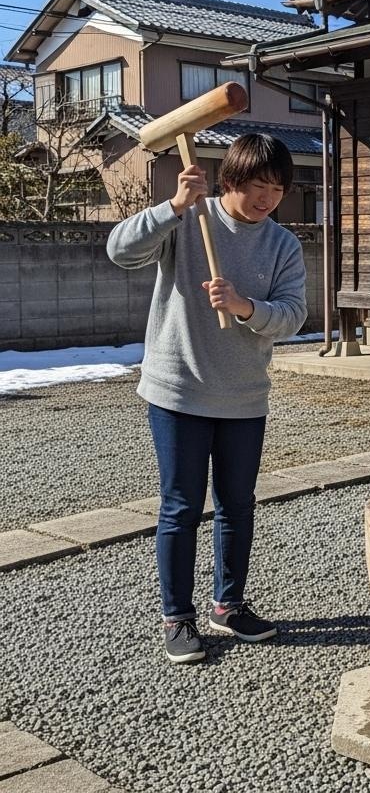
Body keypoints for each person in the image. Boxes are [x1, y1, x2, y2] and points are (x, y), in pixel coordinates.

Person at [107, 133, 307, 665]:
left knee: (238, 505)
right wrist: (173, 206)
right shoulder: (190, 219)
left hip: (244, 396)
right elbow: (119, 250)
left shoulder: (283, 245)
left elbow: (292, 316)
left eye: (277, 188)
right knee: (180, 506)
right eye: (257, 185)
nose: (267, 198)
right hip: (177, 388)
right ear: (231, 180)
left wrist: (246, 307)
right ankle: (178, 617)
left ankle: (229, 604)